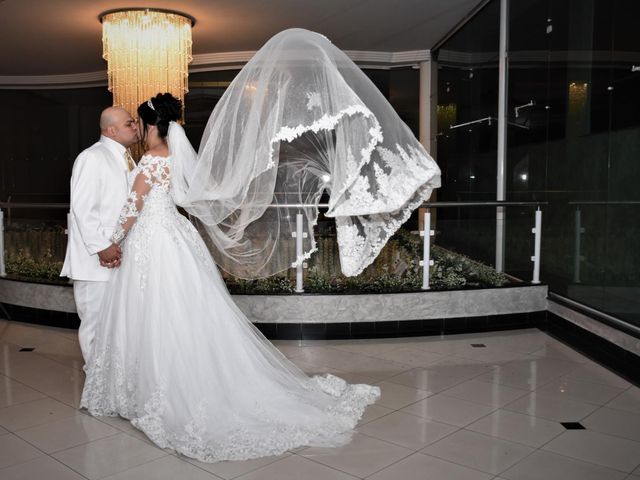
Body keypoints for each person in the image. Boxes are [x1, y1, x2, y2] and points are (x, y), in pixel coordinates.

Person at [80, 93, 381, 462]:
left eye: (138, 123)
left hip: (151, 241)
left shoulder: (149, 162)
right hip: (174, 236)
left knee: (153, 312)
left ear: (150, 125)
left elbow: (131, 209)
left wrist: (110, 241)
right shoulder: (174, 158)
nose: (136, 128)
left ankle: (156, 388)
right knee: (183, 311)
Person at [61, 106, 139, 363]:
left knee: (117, 326)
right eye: (130, 123)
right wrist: (102, 246)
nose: (136, 126)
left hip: (121, 258)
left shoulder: (128, 158)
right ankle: (95, 386)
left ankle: (111, 385)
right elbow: (82, 208)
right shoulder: (91, 157)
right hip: (95, 261)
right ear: (111, 130)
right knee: (95, 323)